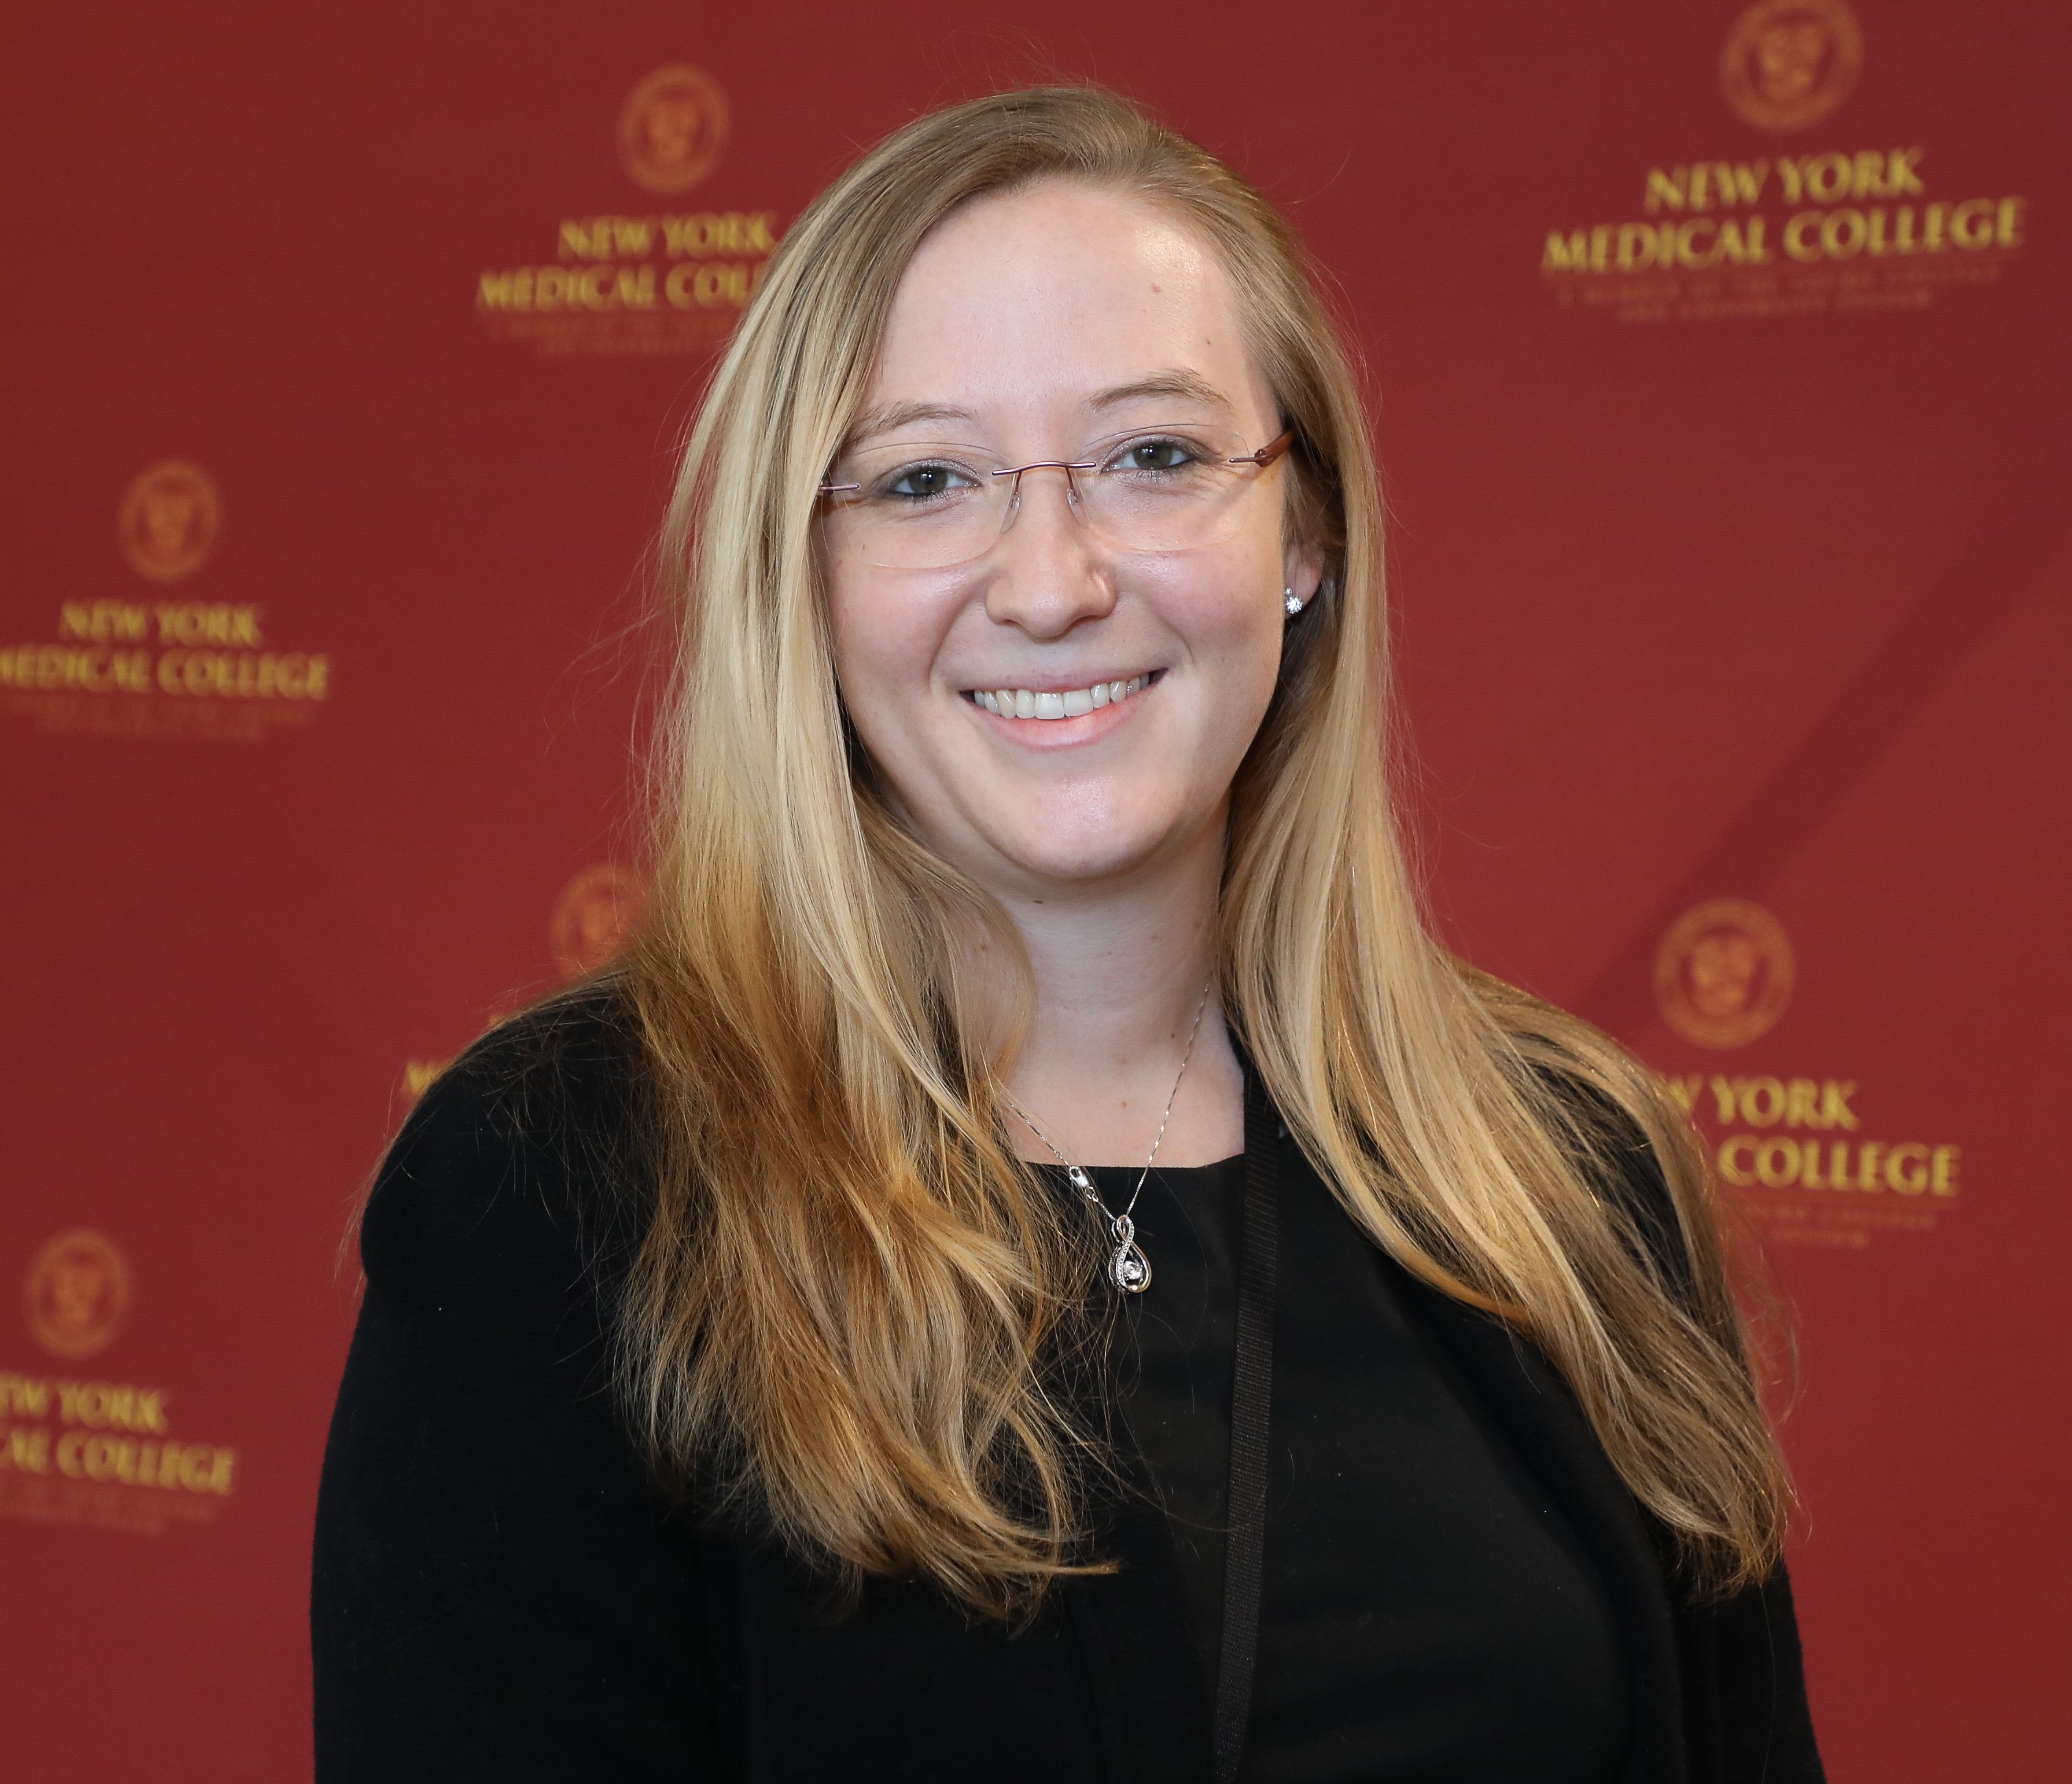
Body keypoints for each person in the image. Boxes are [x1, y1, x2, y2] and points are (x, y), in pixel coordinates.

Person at [312, 87, 1823, 1782]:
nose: (1048, 581)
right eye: (924, 480)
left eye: (1155, 458)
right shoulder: (564, 1186)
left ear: (1303, 532)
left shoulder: (1572, 1170)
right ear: (797, 578)